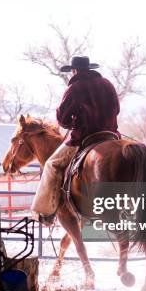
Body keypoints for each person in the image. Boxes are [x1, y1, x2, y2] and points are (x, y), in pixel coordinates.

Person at [31, 56, 121, 220]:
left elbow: (62, 119)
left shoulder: (74, 88)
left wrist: (72, 121)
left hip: (85, 137)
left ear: (74, 70)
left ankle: (46, 212)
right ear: (90, 68)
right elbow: (117, 109)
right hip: (112, 136)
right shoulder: (107, 84)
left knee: (52, 164)